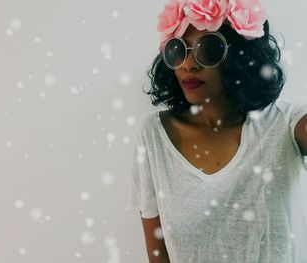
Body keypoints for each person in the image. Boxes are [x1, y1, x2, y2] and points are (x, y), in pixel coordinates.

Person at [127, 0, 307, 262]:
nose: (188, 64)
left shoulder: (285, 123)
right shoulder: (154, 136)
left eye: (209, 49)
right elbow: (158, 251)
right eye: (178, 50)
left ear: (242, 55)